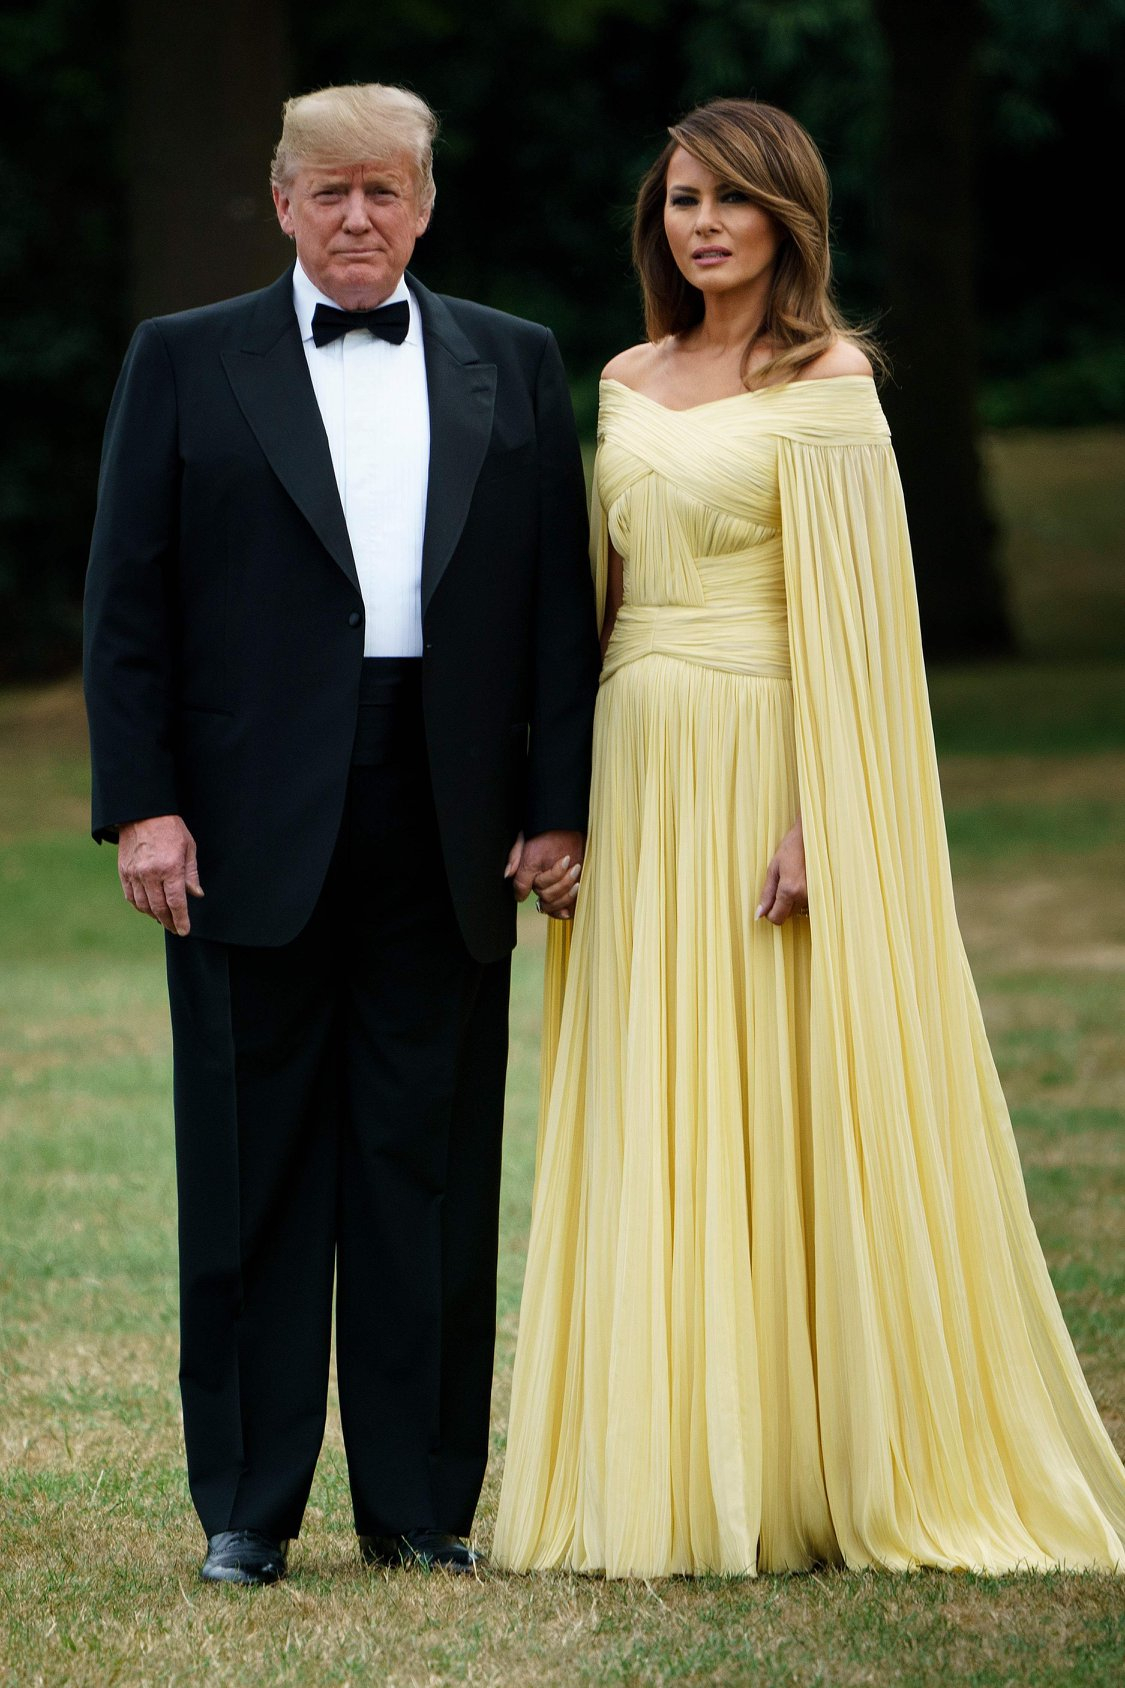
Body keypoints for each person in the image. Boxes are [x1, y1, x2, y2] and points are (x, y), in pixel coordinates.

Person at [494, 98, 1125, 1578]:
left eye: (729, 200)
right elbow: (585, 605)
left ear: (790, 217)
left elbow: (866, 638)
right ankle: (660, 1452)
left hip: (767, 757)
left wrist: (820, 817)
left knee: (774, 1097)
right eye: (677, 200)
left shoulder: (830, 380)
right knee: (654, 1085)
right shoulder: (624, 377)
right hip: (638, 767)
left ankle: (800, 1459)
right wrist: (559, 805)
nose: (698, 223)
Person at [83, 82, 599, 1585]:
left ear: (425, 204)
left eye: (384, 191)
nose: (357, 217)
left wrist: (555, 804)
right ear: (281, 202)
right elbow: (126, 604)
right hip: (242, 819)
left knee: (422, 1165)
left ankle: (420, 1505)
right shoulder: (182, 360)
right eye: (328, 192)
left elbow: (559, 609)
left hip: (451, 813)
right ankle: (247, 1509)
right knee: (249, 1167)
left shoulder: (516, 362)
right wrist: (146, 802)